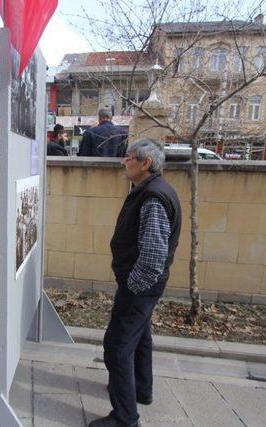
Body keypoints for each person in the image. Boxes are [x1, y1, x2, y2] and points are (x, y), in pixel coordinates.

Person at [90, 139, 182, 427]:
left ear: (146, 163)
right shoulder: (150, 189)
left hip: (139, 287)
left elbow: (153, 257)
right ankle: (141, 390)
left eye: (128, 158)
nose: (123, 162)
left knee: (117, 346)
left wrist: (132, 287)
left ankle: (125, 418)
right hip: (143, 286)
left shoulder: (153, 197)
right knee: (140, 338)